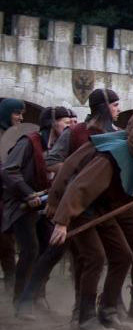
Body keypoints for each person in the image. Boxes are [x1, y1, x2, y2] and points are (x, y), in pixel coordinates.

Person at [49, 120, 133, 330]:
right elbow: (79, 187)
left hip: (102, 208)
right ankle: (85, 318)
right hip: (81, 211)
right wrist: (62, 222)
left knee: (123, 255)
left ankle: (108, 312)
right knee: (95, 257)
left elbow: (119, 190)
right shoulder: (109, 158)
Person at [1, 106, 73, 313]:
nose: (69, 127)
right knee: (30, 250)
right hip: (21, 205)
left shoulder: (60, 147)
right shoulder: (28, 142)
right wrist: (27, 193)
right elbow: (9, 170)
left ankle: (36, 295)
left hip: (45, 205)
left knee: (54, 246)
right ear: (52, 123)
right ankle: (20, 301)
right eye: (65, 123)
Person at [46, 89, 120, 170]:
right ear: (103, 107)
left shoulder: (119, 134)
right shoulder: (74, 131)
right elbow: (51, 162)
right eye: (115, 105)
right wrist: (79, 173)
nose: (119, 109)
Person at [0, 97, 26, 292]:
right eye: (16, 113)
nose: (20, 117)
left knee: (7, 241)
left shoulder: (16, 137)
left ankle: (11, 282)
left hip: (8, 196)